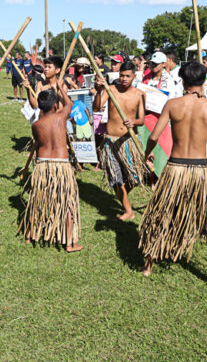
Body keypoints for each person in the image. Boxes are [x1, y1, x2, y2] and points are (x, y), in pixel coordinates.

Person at [140, 61, 207, 288]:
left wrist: (147, 154)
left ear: (183, 81)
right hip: (199, 170)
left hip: (175, 168)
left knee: (161, 214)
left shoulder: (173, 104)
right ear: (204, 80)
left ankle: (148, 266)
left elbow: (154, 136)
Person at [19, 88, 82, 252]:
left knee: (37, 200)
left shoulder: (36, 125)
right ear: (55, 105)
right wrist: (62, 89)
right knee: (67, 202)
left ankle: (30, 235)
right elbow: (69, 103)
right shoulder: (61, 117)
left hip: (42, 164)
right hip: (60, 165)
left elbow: (39, 143)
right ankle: (69, 243)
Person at [92, 61, 150, 221]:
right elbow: (96, 108)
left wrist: (134, 122)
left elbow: (141, 119)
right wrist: (98, 91)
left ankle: (122, 194)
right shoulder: (111, 90)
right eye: (122, 75)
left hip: (129, 141)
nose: (124, 79)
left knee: (135, 177)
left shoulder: (140, 94)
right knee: (116, 178)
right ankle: (128, 210)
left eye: (127, 76)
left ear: (134, 76)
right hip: (110, 141)